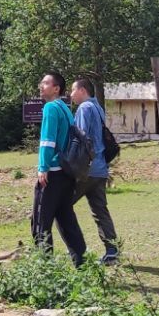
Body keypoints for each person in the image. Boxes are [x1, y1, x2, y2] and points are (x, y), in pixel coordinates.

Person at [30, 71, 88, 266]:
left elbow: (48, 141)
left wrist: (42, 168)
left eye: (45, 83)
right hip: (67, 173)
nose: (41, 85)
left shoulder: (50, 108)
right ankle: (82, 263)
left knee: (40, 221)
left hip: (53, 172)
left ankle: (45, 268)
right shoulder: (65, 108)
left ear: (56, 89)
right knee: (66, 219)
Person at [68, 78, 121, 266]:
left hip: (86, 169)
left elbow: (81, 137)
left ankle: (77, 250)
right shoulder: (98, 108)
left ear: (82, 90)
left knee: (62, 206)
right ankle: (112, 252)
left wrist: (70, 164)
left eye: (73, 90)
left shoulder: (84, 109)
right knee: (100, 211)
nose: (71, 94)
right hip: (100, 169)